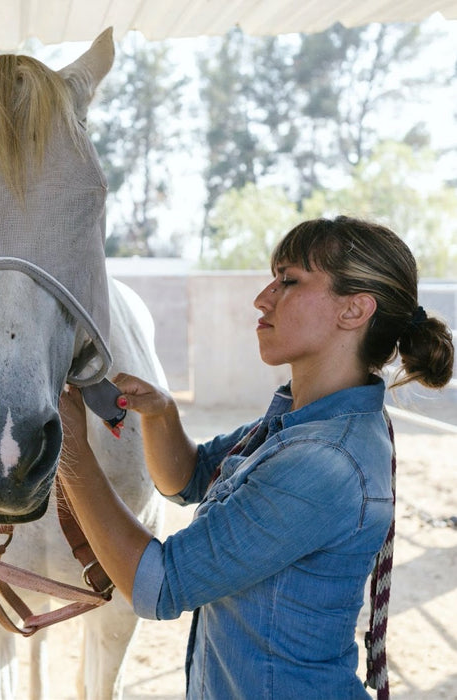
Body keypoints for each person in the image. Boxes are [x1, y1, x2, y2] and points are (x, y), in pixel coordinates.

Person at [58, 216, 454, 699]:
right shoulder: (304, 419)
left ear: (354, 310)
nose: (263, 298)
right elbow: (188, 478)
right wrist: (161, 413)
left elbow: (156, 584)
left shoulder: (323, 460)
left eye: (289, 281)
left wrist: (70, 452)